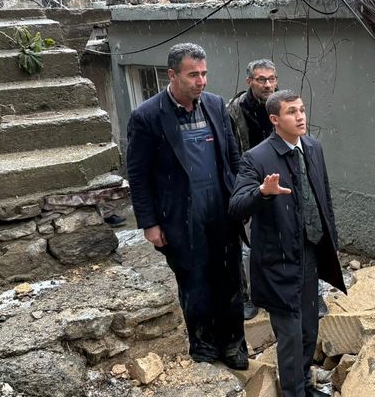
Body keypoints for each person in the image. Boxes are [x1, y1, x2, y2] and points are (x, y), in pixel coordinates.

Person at [126, 43, 248, 369]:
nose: (201, 81)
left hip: (220, 206)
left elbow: (231, 157)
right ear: (173, 75)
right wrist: (150, 224)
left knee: (230, 277)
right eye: (193, 74)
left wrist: (239, 197)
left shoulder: (215, 105)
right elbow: (138, 177)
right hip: (180, 213)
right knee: (194, 281)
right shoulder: (147, 117)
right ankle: (204, 345)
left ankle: (234, 344)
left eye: (204, 73)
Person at [229, 89, 345, 397]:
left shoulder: (313, 148)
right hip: (278, 260)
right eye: (292, 112)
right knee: (291, 335)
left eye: (302, 110)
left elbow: (325, 198)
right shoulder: (257, 157)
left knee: (309, 328)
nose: (300, 116)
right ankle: (293, 392)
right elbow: (236, 206)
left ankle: (303, 384)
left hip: (310, 252)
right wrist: (263, 193)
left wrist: (331, 240)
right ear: (275, 119)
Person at [228, 59, 279, 320]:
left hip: (280, 181)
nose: (268, 84)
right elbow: (231, 151)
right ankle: (248, 296)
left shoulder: (283, 105)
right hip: (247, 181)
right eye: (261, 79)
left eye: (271, 79)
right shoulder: (234, 111)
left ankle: (305, 292)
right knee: (245, 245)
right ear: (249, 82)